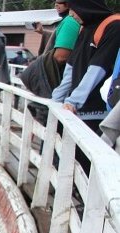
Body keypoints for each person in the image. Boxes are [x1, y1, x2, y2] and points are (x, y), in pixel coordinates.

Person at [51, 0, 120, 136]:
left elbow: (98, 67)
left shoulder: (114, 26)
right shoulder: (85, 27)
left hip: (97, 111)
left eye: (74, 9)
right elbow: (72, 65)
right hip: (75, 107)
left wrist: (74, 101)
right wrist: (56, 98)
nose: (71, 14)